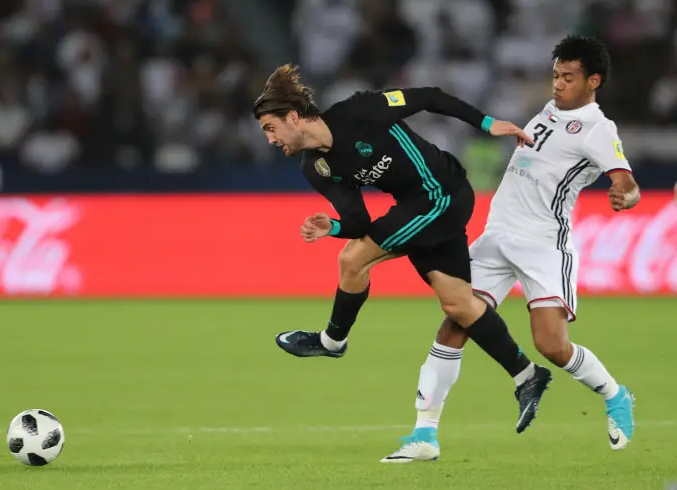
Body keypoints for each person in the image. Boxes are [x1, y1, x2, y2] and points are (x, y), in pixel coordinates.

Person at [251, 64, 554, 459]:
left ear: (293, 117)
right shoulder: (317, 167)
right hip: (416, 209)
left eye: (271, 128)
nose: (270, 139)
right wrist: (334, 225)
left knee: (353, 260)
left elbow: (428, 95)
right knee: (458, 304)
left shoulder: (361, 110)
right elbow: (358, 220)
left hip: (442, 193)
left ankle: (332, 341)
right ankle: (527, 375)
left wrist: (486, 122)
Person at [383, 35, 638, 463]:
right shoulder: (550, 110)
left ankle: (616, 395)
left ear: (593, 81)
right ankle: (424, 434)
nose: (558, 84)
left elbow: (625, 181)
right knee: (454, 324)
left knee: (552, 346)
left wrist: (623, 195)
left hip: (543, 245)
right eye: (556, 75)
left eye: (569, 77)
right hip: (498, 235)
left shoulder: (598, 129)